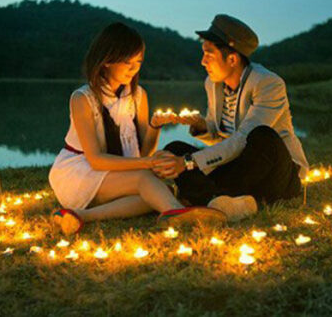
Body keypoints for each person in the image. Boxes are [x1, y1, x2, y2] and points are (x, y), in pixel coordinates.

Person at [48, 22, 226, 235]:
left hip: (114, 171)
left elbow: (143, 153)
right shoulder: (83, 98)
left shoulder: (138, 95)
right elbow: (96, 159)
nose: (133, 69)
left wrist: (154, 126)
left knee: (159, 191)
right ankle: (177, 212)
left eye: (138, 62)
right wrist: (148, 164)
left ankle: (80, 215)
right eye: (127, 62)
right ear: (107, 61)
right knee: (147, 182)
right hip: (81, 171)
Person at [157, 14, 309, 222]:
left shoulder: (268, 83)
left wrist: (189, 164)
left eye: (209, 54)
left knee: (262, 136)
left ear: (232, 59)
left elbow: (243, 138)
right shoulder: (212, 84)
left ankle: (204, 195)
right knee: (174, 148)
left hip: (276, 171)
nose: (203, 62)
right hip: (240, 168)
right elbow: (223, 137)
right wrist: (203, 127)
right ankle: (219, 202)